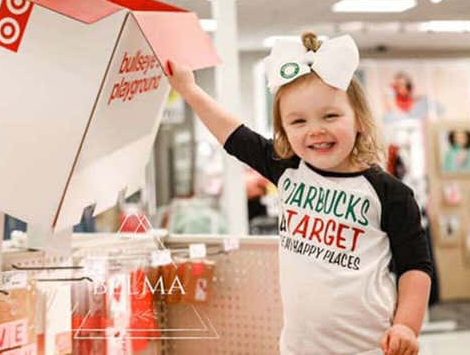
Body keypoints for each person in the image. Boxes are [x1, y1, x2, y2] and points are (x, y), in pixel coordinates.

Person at [166, 33, 432, 355]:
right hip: (298, 348)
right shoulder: (288, 171)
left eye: (330, 116)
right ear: (285, 131)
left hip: (370, 348)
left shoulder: (390, 194)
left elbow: (415, 268)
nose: (315, 130)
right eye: (298, 121)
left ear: (359, 119)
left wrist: (406, 325)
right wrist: (189, 90)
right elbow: (234, 135)